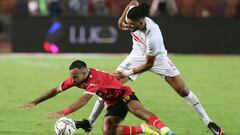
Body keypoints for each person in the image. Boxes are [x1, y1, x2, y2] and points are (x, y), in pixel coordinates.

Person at [84, 1, 223, 135]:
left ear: (141, 22)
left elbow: (148, 64)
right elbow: (133, 1)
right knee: (110, 86)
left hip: (158, 59)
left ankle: (208, 121)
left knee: (183, 90)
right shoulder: (131, 16)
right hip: (136, 55)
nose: (130, 26)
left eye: (132, 25)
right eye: (129, 23)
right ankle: (90, 122)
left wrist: (128, 72)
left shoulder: (153, 35)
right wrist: (121, 19)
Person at [18, 60, 175, 135]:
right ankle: (143, 129)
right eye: (71, 76)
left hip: (123, 94)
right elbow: (55, 90)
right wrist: (35, 102)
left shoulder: (95, 78)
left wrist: (64, 112)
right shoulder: (76, 79)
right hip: (111, 102)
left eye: (75, 76)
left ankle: (164, 129)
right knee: (108, 131)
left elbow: (84, 100)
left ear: (85, 73)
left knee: (137, 109)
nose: (72, 79)